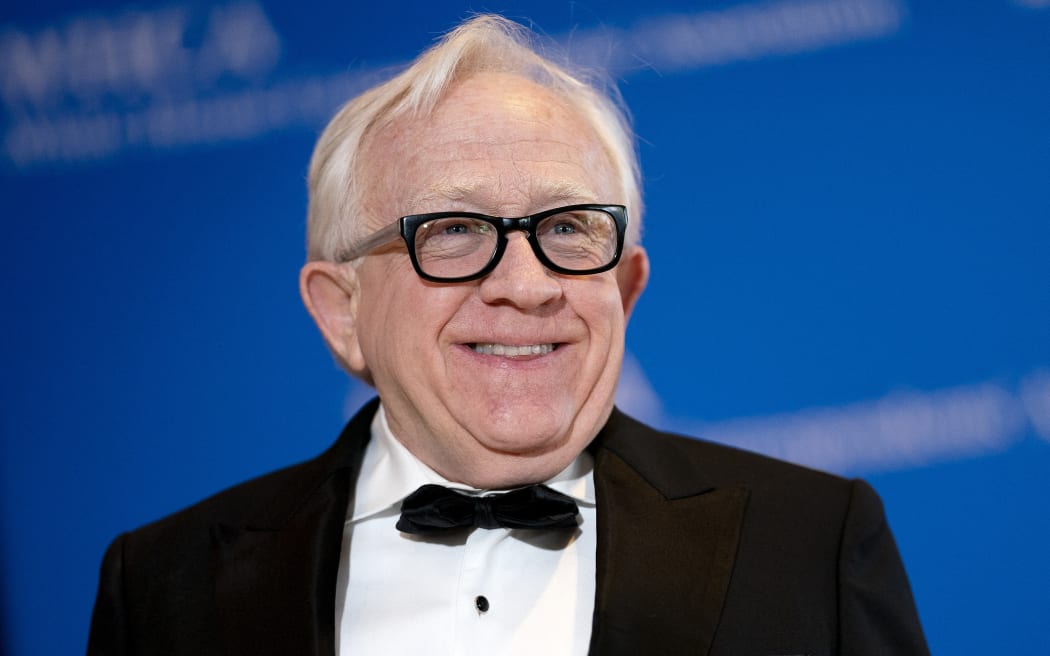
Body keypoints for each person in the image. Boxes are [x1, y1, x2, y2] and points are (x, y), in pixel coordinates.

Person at [88, 14, 929, 656]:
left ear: (625, 287)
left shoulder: (811, 544)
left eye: (567, 229)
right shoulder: (167, 587)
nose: (526, 287)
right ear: (341, 312)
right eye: (452, 230)